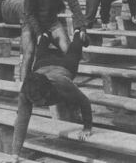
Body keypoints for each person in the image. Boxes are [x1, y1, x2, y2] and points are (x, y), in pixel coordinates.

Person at [8, 30, 91, 163]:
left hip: (64, 67)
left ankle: (77, 35)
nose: (39, 104)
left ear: (47, 92)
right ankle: (45, 36)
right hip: (43, 65)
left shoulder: (61, 83)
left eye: (40, 101)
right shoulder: (25, 92)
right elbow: (22, 121)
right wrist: (15, 155)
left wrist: (87, 127)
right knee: (40, 56)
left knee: (74, 53)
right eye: (35, 101)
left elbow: (84, 101)